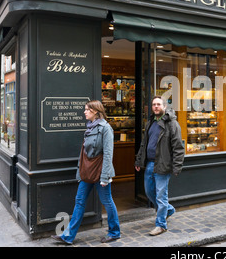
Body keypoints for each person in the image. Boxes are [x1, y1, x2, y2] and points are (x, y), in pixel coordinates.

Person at [52, 100, 120, 245]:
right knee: (79, 201)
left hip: (100, 172)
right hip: (87, 172)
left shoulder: (105, 128)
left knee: (107, 201)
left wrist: (105, 177)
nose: (84, 112)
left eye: (87, 109)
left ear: (95, 111)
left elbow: (108, 154)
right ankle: (68, 236)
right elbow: (83, 154)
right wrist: (80, 172)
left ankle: (114, 232)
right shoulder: (89, 128)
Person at [135, 96, 184, 236]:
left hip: (163, 164)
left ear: (164, 106)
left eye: (158, 104)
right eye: (154, 105)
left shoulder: (172, 124)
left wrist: (177, 166)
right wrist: (139, 160)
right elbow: (144, 144)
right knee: (150, 192)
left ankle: (161, 224)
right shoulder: (150, 122)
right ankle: (168, 210)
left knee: (161, 196)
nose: (156, 107)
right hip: (150, 163)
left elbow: (178, 148)